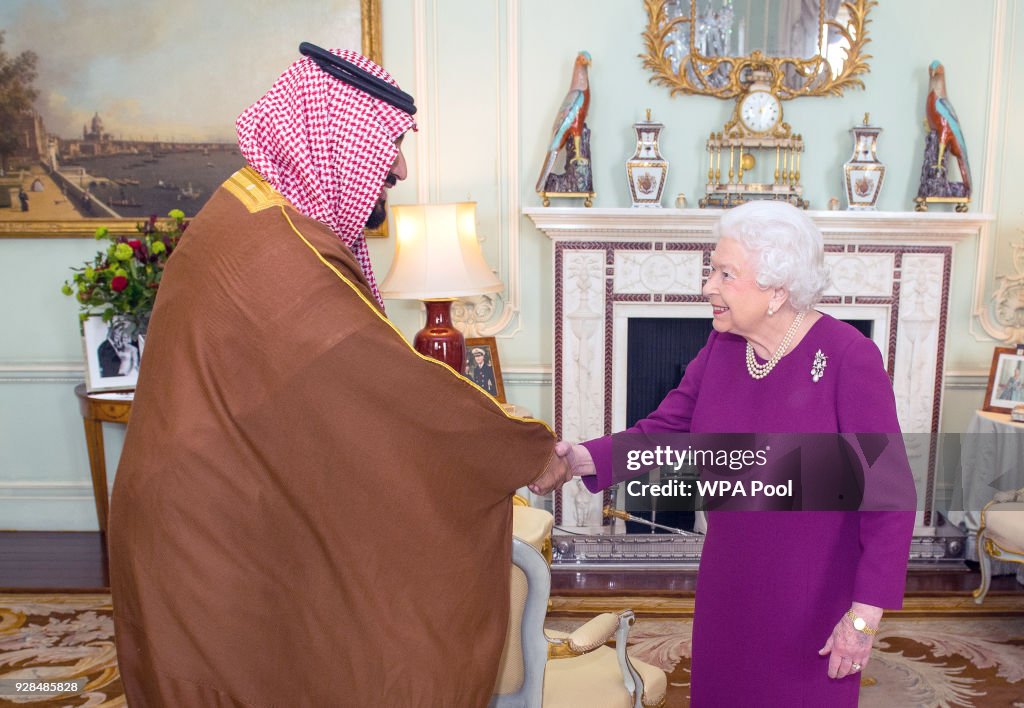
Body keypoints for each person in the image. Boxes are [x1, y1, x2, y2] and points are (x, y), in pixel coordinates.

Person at [107, 44, 570, 707]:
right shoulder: (278, 249)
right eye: (389, 144)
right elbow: (385, 385)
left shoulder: (255, 210)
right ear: (328, 137)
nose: (400, 168)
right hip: (209, 521)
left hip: (211, 499)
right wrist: (521, 447)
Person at [551, 200, 916, 706]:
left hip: (812, 594)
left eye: (725, 274)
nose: (708, 286)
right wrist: (579, 461)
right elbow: (666, 430)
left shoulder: (847, 357)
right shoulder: (723, 348)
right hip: (730, 583)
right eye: (711, 270)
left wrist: (863, 616)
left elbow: (889, 493)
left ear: (777, 290)